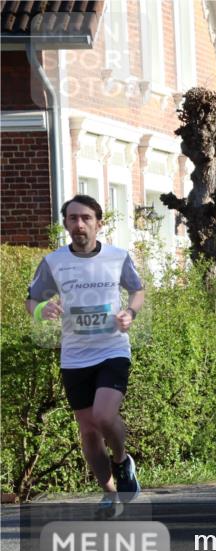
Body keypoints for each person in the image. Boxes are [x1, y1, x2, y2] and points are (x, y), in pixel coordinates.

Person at [26, 195, 145, 517]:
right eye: (73, 218)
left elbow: (138, 290)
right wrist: (41, 309)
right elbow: (32, 299)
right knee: (89, 430)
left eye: (86, 218)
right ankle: (109, 495)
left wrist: (130, 313)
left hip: (112, 349)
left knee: (105, 416)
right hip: (75, 356)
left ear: (98, 223)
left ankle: (121, 461)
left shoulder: (118, 257)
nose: (79, 224)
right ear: (65, 224)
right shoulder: (54, 262)